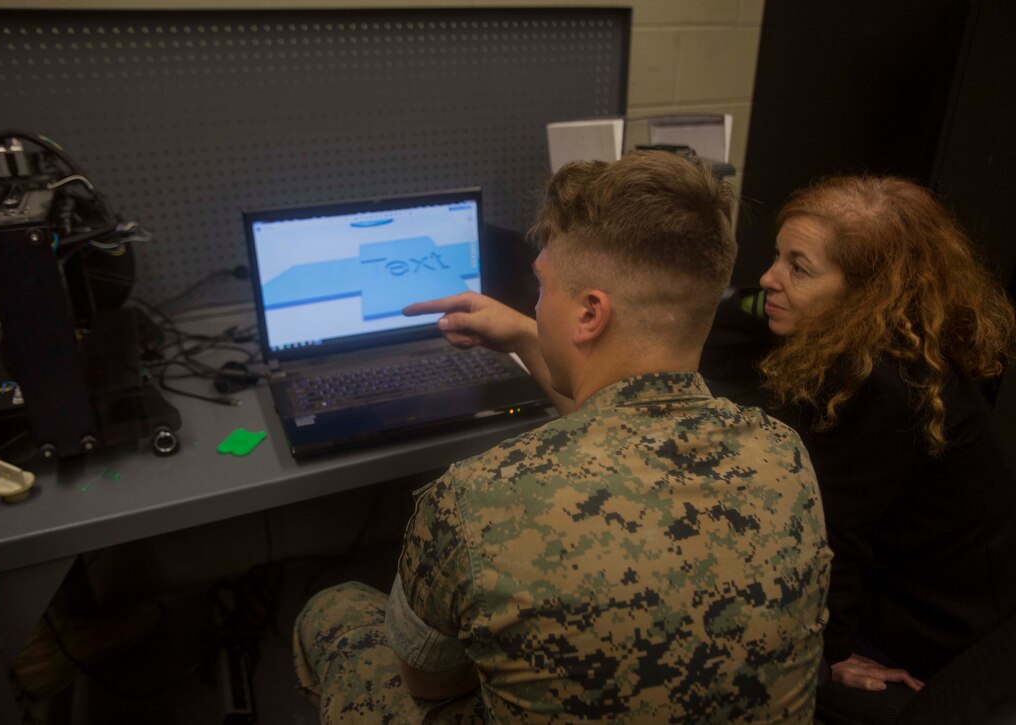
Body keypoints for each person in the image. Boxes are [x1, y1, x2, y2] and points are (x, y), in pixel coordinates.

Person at [293, 151, 832, 722]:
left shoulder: (475, 499)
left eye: (542, 286)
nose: (535, 303)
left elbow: (429, 683)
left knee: (335, 612)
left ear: (590, 314)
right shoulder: (784, 457)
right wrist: (529, 336)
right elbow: (615, 409)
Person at [752, 175, 1016, 721]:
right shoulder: (895, 342)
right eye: (777, 257)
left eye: (798, 268)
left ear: (866, 293)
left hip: (939, 628)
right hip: (932, 593)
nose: (768, 279)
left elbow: (833, 535)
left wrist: (834, 654)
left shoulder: (879, 386)